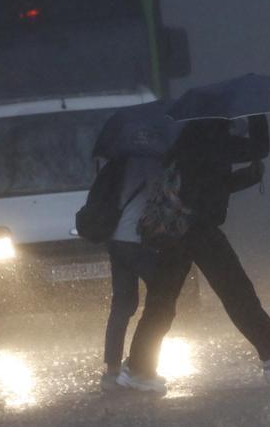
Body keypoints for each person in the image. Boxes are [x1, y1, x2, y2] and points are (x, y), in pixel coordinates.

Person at [120, 116, 270, 392]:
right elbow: (258, 148)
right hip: (198, 229)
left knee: (162, 302)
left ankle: (138, 368)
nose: (235, 122)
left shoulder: (194, 139)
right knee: (237, 291)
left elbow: (213, 182)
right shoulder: (213, 138)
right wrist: (258, 114)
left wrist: (248, 177)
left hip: (179, 229)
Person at [101, 155, 164, 391]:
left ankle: (113, 369)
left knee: (123, 305)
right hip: (137, 242)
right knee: (162, 299)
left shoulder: (119, 163)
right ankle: (141, 367)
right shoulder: (154, 163)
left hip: (116, 239)